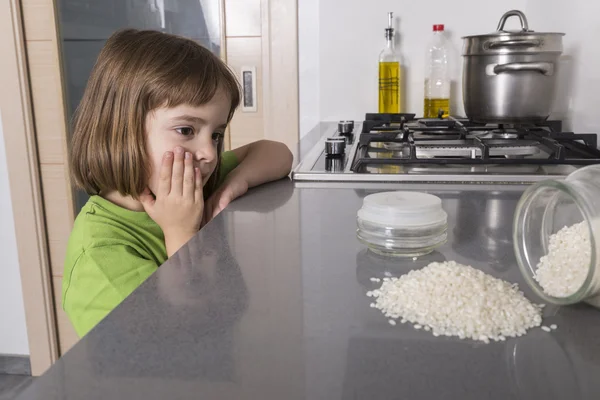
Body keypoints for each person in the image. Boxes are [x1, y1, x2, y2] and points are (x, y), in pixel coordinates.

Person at [63, 29, 293, 337]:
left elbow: (277, 152)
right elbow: (178, 345)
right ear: (122, 130)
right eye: (186, 130)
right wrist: (180, 233)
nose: (209, 153)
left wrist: (233, 183)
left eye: (216, 134)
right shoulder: (100, 257)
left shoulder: (190, 181)